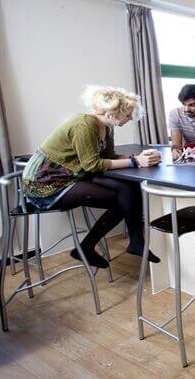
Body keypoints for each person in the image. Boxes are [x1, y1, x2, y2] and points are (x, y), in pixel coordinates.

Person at [22, 86, 162, 268]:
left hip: (74, 174)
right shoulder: (85, 124)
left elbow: (108, 157)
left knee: (129, 189)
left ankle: (134, 242)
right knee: (124, 199)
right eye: (127, 114)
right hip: (46, 183)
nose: (130, 119)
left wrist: (139, 158)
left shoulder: (108, 128)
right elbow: (92, 164)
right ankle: (90, 247)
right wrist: (135, 161)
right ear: (113, 112)